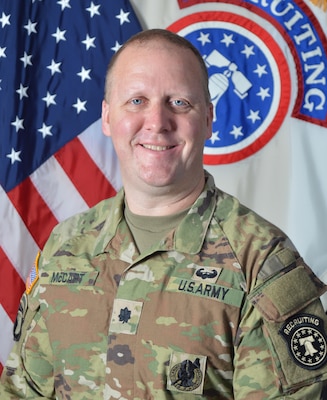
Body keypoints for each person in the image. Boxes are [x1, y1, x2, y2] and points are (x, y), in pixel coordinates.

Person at [1, 28, 327, 400]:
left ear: (208, 119)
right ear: (107, 117)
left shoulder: (263, 261)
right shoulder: (66, 245)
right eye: (137, 100)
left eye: (179, 103)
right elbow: (21, 390)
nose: (157, 122)